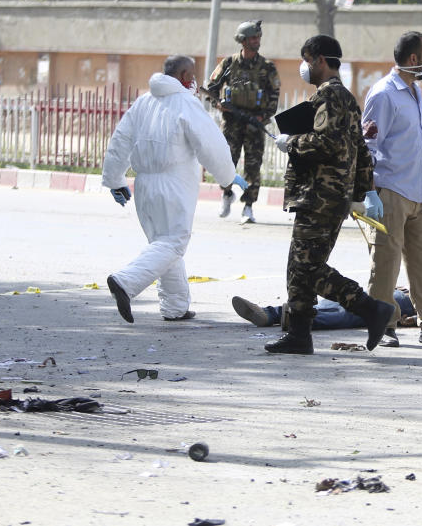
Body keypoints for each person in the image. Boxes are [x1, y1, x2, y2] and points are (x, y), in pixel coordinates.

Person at [267, 35, 392, 355]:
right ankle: (299, 334)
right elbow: (362, 152)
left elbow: (326, 144)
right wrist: (367, 190)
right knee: (300, 267)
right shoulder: (346, 99)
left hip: (320, 195)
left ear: (320, 60)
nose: (304, 68)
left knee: (306, 267)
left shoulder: (329, 97)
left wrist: (290, 143)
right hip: (326, 195)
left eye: (307, 60)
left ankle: (369, 309)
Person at [102, 55, 246, 323]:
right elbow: (211, 145)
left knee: (164, 244)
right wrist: (229, 176)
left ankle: (175, 307)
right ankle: (125, 282)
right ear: (182, 75)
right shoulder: (186, 104)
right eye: (191, 74)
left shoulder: (143, 102)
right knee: (173, 243)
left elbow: (120, 140)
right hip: (174, 183)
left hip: (144, 184)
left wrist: (115, 180)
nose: (194, 80)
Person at [362, 31, 422, 348]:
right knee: (386, 264)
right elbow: (369, 146)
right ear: (414, 60)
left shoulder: (417, 93)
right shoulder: (384, 94)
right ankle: (383, 326)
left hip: (419, 191)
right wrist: (369, 191)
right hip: (390, 191)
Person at [204, 20, 281, 224]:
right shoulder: (229, 64)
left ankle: (248, 206)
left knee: (253, 167)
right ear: (243, 40)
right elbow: (211, 88)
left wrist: (262, 117)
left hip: (254, 124)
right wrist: (218, 104)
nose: (257, 41)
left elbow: (274, 97)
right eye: (253, 38)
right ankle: (227, 194)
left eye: (258, 37)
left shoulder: (267, 67)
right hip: (231, 123)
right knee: (226, 161)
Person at [231, 283, 422, 329]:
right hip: (400, 294)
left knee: (348, 315)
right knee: (341, 304)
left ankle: (275, 315)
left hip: (405, 303)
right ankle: (314, 299)